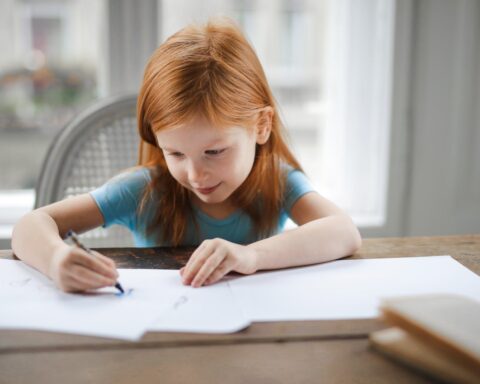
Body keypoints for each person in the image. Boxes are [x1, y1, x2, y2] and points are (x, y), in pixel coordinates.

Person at [12, 18, 361, 293]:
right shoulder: (143, 190)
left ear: (261, 126)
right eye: (175, 153)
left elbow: (344, 232)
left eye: (214, 151)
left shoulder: (277, 180)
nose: (195, 174)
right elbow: (30, 226)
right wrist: (56, 259)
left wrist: (251, 255)